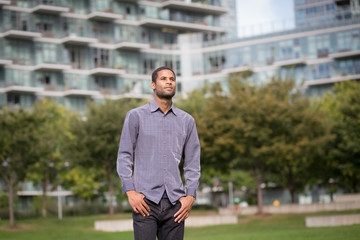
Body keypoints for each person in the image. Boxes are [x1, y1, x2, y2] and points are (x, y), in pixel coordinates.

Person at [117, 66, 201, 240]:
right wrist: (130, 192)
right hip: (145, 202)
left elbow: (192, 162)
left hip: (175, 204)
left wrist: (190, 195)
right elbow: (124, 155)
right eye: (163, 79)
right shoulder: (135, 116)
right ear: (153, 85)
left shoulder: (187, 120)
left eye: (172, 79)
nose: (169, 82)